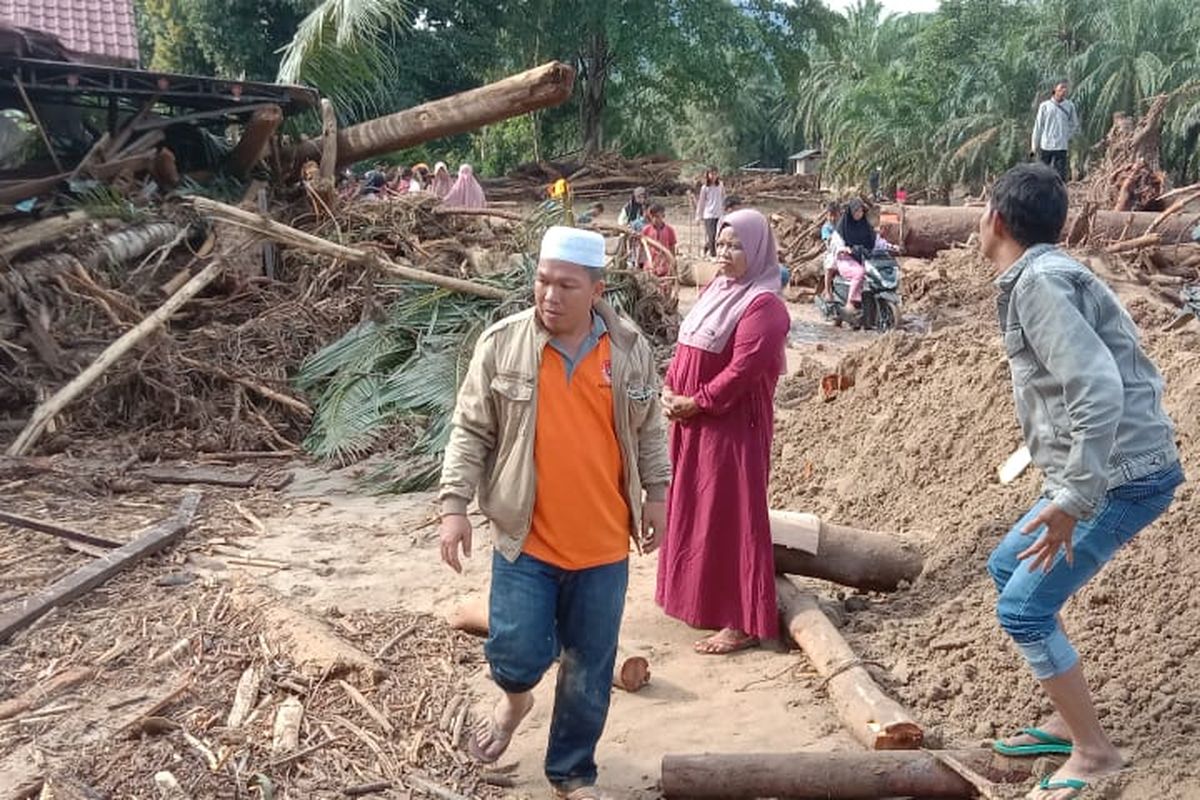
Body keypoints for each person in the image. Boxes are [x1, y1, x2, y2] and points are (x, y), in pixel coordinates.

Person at [438, 225, 670, 799]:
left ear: (598, 289)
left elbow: (649, 430)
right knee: (517, 654)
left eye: (566, 285)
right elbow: (469, 429)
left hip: (603, 544)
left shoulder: (630, 350)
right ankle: (515, 701)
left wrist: (658, 494)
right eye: (542, 281)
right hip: (527, 539)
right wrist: (454, 505)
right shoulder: (503, 345)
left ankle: (571, 772)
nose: (549, 295)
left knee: (591, 668)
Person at [980, 164, 1182, 800]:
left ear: (996, 220)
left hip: (1121, 479)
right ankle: (1068, 721)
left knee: (1022, 607)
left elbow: (1097, 387)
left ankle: (1094, 753)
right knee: (1008, 567)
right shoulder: (1048, 274)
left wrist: (1070, 498)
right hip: (1104, 470)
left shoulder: (1039, 284)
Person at [657, 209, 791, 655]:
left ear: (756, 249)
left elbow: (743, 371)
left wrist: (697, 401)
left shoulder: (765, 305)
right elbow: (687, 344)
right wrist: (670, 388)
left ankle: (742, 619)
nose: (725, 253)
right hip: (694, 421)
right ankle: (700, 601)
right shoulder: (718, 289)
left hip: (731, 424)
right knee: (698, 507)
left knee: (732, 512)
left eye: (736, 246)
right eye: (722, 244)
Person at [822, 198, 895, 312]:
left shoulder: (865, 226)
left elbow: (876, 241)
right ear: (851, 212)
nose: (859, 214)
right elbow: (835, 244)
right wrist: (844, 249)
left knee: (874, 274)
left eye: (861, 211)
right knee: (859, 272)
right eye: (856, 211)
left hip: (863, 257)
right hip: (845, 259)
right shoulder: (842, 228)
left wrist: (891, 247)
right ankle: (850, 302)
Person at [1031, 79, 1081, 182]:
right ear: (1055, 90)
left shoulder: (1069, 106)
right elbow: (1038, 126)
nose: (1063, 91)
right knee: (1043, 173)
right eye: (1061, 88)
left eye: (1065, 88)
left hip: (1061, 146)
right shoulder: (1045, 106)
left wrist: (1066, 136)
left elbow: (1074, 124)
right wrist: (1034, 146)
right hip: (1046, 145)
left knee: (1060, 175)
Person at [640, 202, 677, 284]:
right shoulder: (646, 230)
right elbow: (642, 248)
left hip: (665, 266)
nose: (655, 219)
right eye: (652, 217)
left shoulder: (669, 230)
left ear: (663, 216)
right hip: (650, 266)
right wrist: (640, 264)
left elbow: (672, 248)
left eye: (657, 217)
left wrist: (672, 264)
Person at [695, 167, 726, 257]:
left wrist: (726, 209)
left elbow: (724, 197)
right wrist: (698, 216)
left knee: (718, 236)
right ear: (708, 175)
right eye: (711, 174)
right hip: (708, 215)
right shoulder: (705, 188)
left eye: (715, 174)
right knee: (711, 235)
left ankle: (707, 246)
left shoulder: (720, 185)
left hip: (719, 214)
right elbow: (701, 202)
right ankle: (713, 255)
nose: (713, 176)